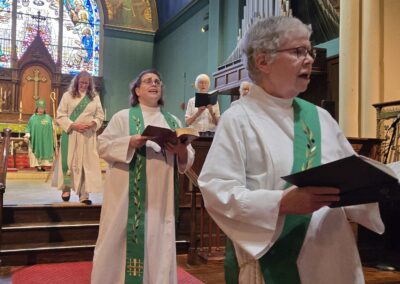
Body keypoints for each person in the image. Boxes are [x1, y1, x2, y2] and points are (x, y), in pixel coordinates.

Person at [198, 16, 384, 284]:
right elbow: (217, 191)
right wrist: (281, 203)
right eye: (298, 51)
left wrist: (379, 185)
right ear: (263, 61)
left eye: (309, 51)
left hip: (333, 256)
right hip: (275, 262)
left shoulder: (320, 117)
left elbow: (351, 177)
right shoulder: (239, 118)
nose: (309, 59)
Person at [91, 69, 195, 284]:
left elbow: (187, 158)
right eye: (148, 81)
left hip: (161, 198)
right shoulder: (123, 117)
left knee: (157, 239)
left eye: (157, 81)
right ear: (137, 90)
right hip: (127, 197)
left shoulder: (173, 120)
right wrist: (130, 141)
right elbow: (102, 146)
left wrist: (181, 151)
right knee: (119, 238)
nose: (154, 84)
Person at [52, 70, 104, 205]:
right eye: (81, 82)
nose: (84, 85)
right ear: (76, 82)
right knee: (69, 162)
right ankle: (66, 188)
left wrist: (94, 123)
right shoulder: (67, 96)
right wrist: (73, 125)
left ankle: (84, 194)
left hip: (87, 136)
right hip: (71, 134)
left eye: (86, 83)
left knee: (86, 164)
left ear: (90, 84)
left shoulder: (94, 97)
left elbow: (100, 116)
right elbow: (60, 115)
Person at [24, 99, 55, 171]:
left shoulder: (48, 117)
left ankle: (44, 166)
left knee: (46, 150)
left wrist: (55, 124)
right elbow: (28, 127)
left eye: (43, 108)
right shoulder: (33, 118)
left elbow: (53, 128)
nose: (41, 110)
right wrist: (27, 135)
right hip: (37, 139)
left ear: (45, 109)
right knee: (37, 151)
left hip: (47, 140)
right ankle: (38, 166)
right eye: (40, 108)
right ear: (37, 108)